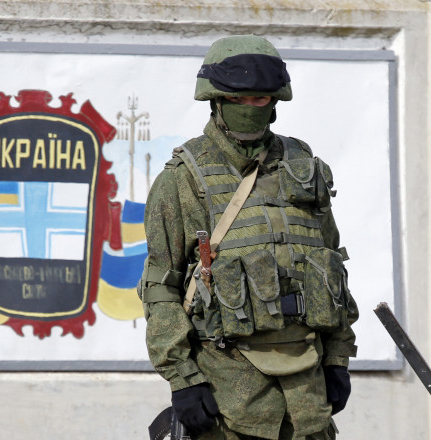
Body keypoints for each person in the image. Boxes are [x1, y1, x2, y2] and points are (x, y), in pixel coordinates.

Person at [138, 35, 359, 440]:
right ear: (216, 100)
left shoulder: (302, 170)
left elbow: (331, 269)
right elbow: (160, 288)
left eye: (261, 100)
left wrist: (338, 358)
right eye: (240, 99)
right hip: (229, 403)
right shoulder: (184, 178)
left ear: (276, 101)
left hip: (308, 401)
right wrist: (184, 379)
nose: (252, 108)